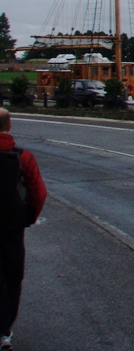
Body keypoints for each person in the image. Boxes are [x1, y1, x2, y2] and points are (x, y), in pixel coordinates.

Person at [0, 108, 46, 351]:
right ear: (9, 127)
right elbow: (38, 192)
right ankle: (5, 328)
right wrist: (29, 217)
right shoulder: (23, 157)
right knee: (12, 274)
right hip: (13, 225)